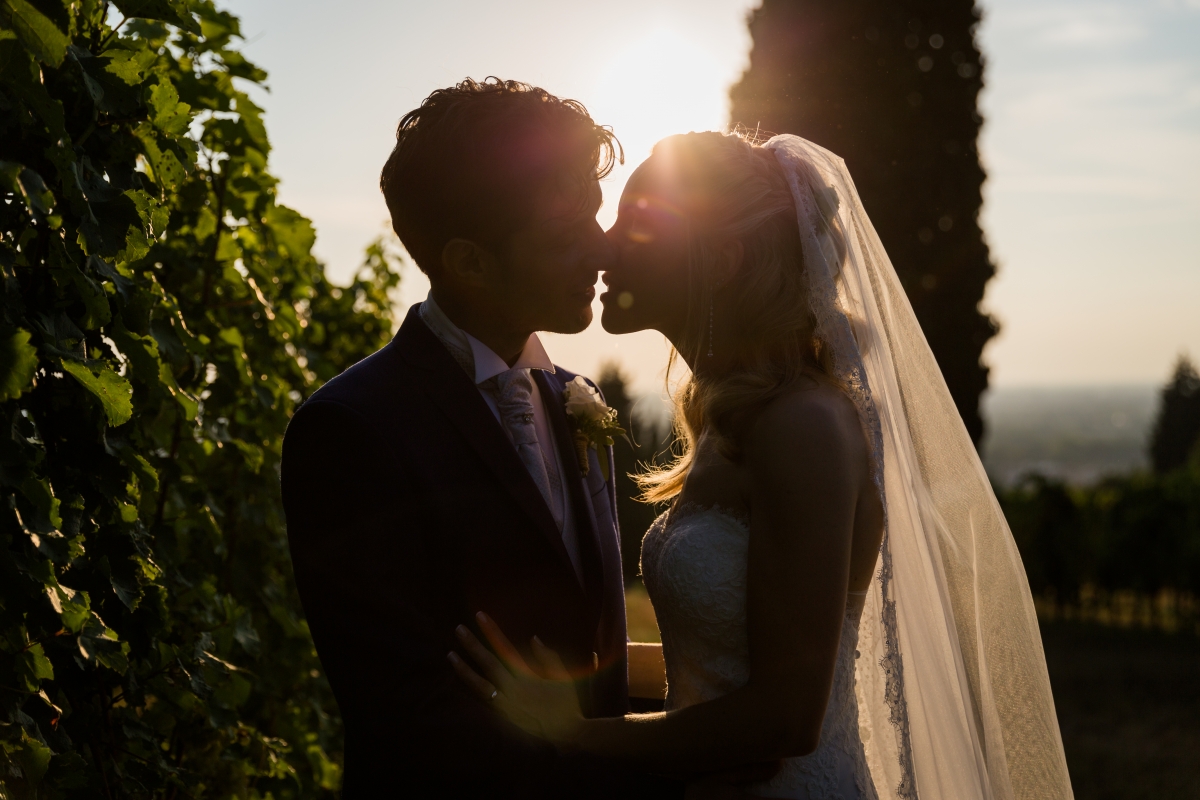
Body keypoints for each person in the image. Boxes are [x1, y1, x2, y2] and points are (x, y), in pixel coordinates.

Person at [450, 131, 1076, 800]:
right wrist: (555, 677)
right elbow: (729, 664)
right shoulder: (733, 425)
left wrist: (573, 736)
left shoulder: (803, 425)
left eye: (636, 227)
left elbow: (786, 715)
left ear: (719, 260)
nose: (604, 245)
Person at [281, 78, 689, 797]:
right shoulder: (351, 430)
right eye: (567, 235)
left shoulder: (571, 398)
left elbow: (592, 653)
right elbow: (404, 715)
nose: (602, 248)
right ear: (469, 261)